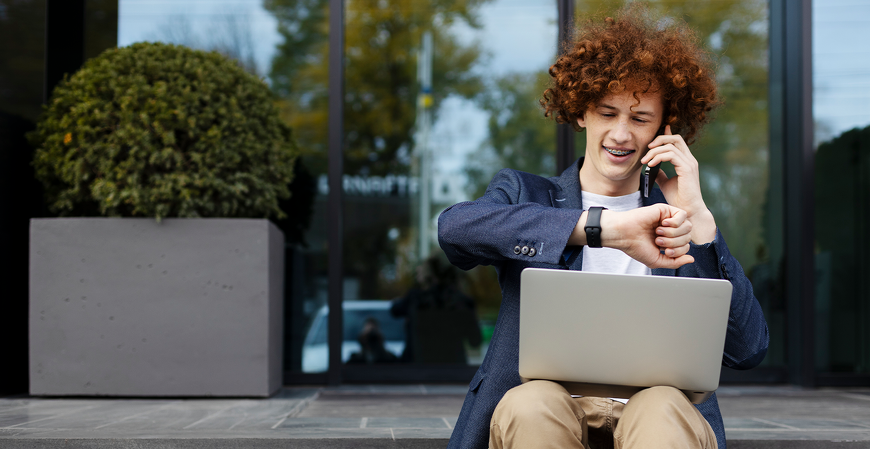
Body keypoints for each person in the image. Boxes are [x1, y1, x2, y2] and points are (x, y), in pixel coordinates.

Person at [437, 4, 769, 449]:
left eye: (639, 118)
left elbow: (747, 350)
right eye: (608, 113)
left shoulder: (678, 216)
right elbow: (455, 230)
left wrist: (701, 220)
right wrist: (600, 228)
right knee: (532, 402)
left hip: (653, 413)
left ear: (663, 129)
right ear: (580, 113)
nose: (621, 134)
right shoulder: (525, 193)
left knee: (662, 405)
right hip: (548, 409)